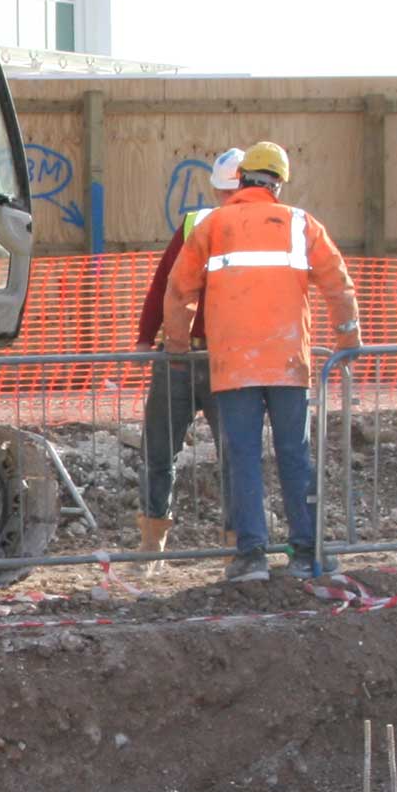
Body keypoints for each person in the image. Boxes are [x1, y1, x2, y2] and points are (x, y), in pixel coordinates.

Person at [160, 140, 362, 582]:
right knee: (295, 455)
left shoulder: (215, 224)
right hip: (289, 361)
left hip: (233, 364)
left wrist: (176, 349)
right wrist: (348, 341)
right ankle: (307, 553)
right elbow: (338, 284)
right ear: (278, 182)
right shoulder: (300, 223)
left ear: (243, 178)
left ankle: (251, 557)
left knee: (243, 456)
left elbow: (179, 291)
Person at [134, 148, 246, 560]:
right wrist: (147, 337)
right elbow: (165, 283)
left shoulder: (210, 223)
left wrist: (147, 339)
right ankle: (159, 542)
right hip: (203, 359)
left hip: (202, 359)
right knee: (169, 453)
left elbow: (161, 284)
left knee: (215, 456)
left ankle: (232, 543)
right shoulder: (198, 224)